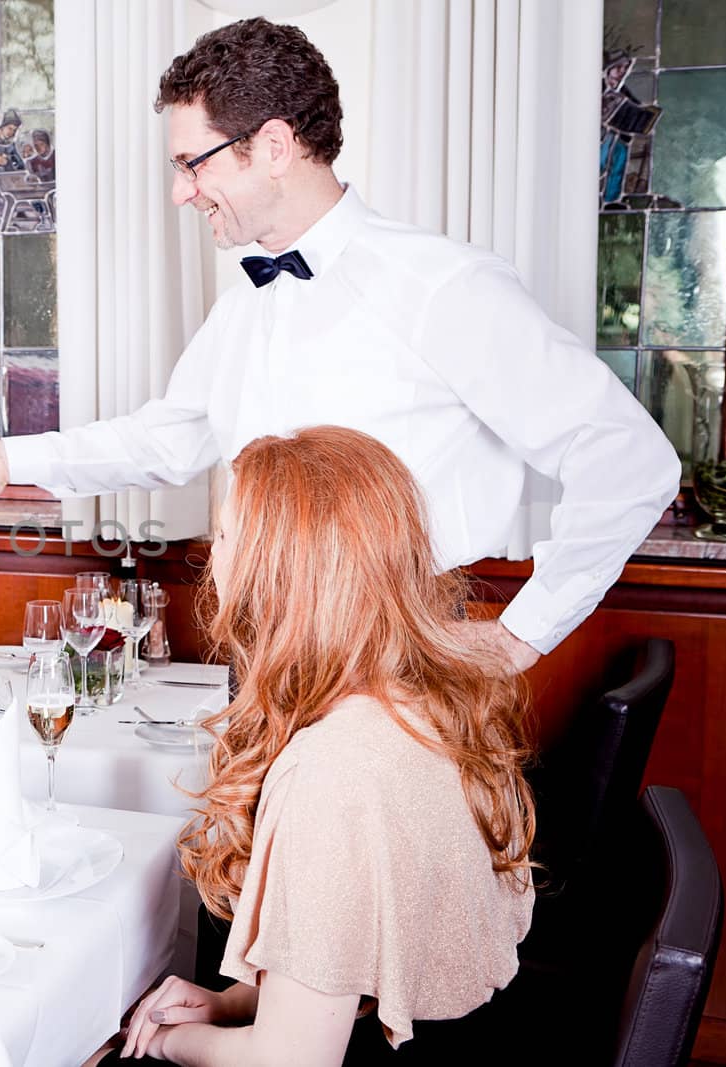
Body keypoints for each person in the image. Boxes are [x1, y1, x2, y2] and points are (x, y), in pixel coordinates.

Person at [0, 18, 681, 674]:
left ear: (271, 146)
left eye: (191, 164)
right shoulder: (243, 310)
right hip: (266, 657)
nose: (180, 193)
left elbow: (628, 459)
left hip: (399, 665)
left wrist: (522, 634)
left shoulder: (443, 286)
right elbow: (167, 440)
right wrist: (13, 459)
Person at [112, 426, 535, 1064]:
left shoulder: (330, 770)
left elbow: (290, 1062)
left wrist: (166, 1041)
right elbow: (372, 944)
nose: (212, 556)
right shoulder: (434, 702)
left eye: (225, 536)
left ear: (277, 575)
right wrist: (232, 1004)